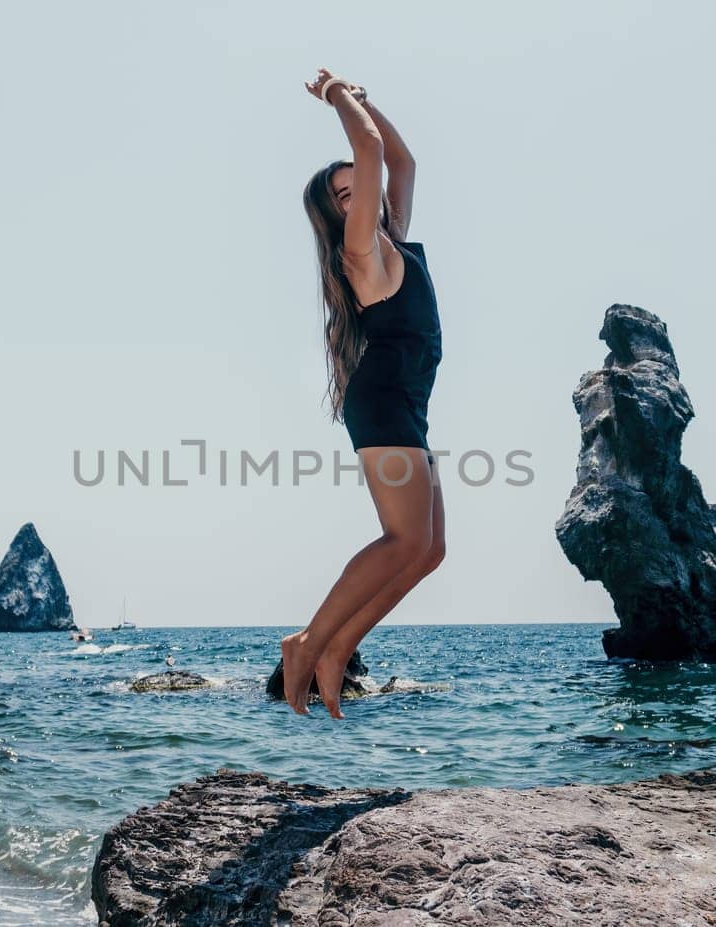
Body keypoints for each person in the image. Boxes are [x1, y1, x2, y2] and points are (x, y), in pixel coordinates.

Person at [282, 67, 446, 719]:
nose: (360, 196)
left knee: (429, 550)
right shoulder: (360, 253)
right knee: (402, 539)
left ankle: (337, 648)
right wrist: (336, 94)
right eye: (344, 195)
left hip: (405, 401)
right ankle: (308, 641)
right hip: (382, 400)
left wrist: (367, 99)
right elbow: (373, 151)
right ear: (336, 217)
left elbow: (398, 157)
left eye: (359, 189)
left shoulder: (392, 234)